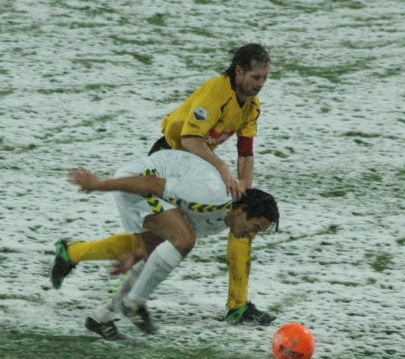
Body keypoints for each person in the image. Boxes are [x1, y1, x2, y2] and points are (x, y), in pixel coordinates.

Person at [57, 44, 275, 325]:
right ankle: (83, 261)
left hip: (196, 166)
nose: (261, 84)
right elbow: (188, 140)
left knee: (238, 226)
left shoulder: (251, 106)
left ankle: (237, 305)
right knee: (169, 238)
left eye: (265, 78)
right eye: (256, 77)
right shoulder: (217, 91)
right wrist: (222, 169)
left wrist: (245, 191)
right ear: (238, 72)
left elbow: (246, 151)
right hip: (170, 159)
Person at [50, 150, 280, 340]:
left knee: (159, 254)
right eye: (255, 228)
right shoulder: (214, 195)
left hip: (150, 193)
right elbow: (152, 184)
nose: (252, 236)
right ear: (242, 210)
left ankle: (101, 318)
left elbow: (168, 237)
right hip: (136, 182)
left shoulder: (221, 221)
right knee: (186, 240)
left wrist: (139, 253)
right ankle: (135, 304)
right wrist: (99, 185)